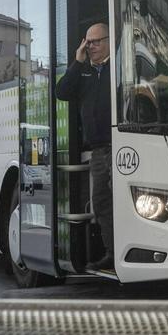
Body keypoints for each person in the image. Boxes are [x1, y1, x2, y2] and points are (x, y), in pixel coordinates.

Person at [56, 22, 114, 271]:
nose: (91, 47)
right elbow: (62, 92)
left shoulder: (121, 67)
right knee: (101, 202)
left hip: (122, 144)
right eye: (88, 42)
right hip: (99, 150)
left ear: (109, 40)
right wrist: (77, 63)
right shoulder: (85, 72)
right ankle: (112, 252)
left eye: (96, 41)